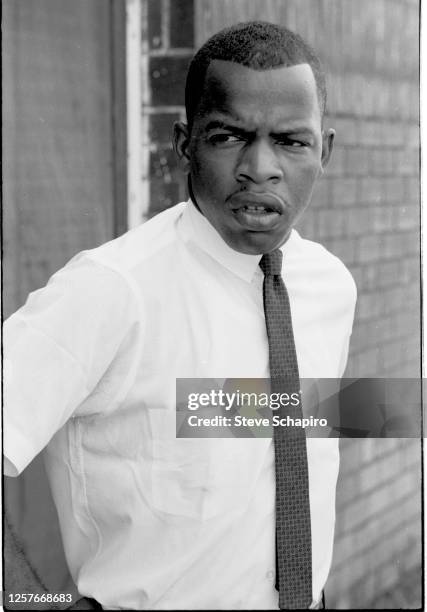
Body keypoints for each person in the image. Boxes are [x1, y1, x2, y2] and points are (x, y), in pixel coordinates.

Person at [4, 21, 356, 610]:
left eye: (291, 142)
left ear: (324, 150)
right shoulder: (114, 289)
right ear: (183, 144)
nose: (260, 168)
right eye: (227, 137)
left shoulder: (330, 286)